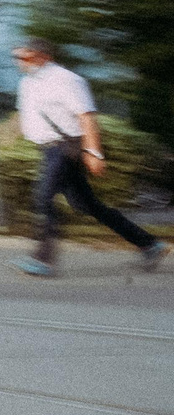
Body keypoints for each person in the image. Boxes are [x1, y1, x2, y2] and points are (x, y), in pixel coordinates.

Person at [9, 36, 163, 278]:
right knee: (86, 205)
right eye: (16, 57)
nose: (19, 61)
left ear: (43, 56)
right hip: (47, 150)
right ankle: (149, 244)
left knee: (43, 199)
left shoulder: (67, 80)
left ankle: (43, 260)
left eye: (23, 56)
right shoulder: (27, 84)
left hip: (64, 148)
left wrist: (94, 152)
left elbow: (87, 117)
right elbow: (24, 116)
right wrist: (7, 138)